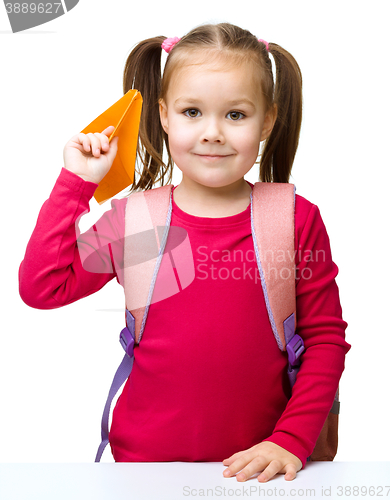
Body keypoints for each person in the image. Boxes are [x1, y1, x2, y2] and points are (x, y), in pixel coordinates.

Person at [19, 22, 351, 483]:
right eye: (192, 111)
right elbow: (42, 287)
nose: (212, 132)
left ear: (268, 121)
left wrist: (290, 440)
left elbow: (325, 340)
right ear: (163, 115)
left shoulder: (293, 219)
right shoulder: (139, 224)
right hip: (144, 469)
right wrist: (77, 183)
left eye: (236, 115)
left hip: (265, 471)